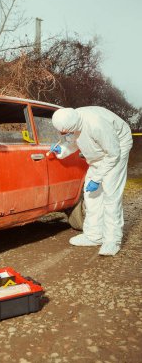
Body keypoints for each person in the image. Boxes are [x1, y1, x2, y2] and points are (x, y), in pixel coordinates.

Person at [50, 106, 133, 256]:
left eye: (66, 131)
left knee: (111, 194)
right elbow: (74, 141)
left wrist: (97, 178)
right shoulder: (73, 119)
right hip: (100, 155)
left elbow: (113, 154)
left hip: (118, 147)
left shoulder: (97, 124)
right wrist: (61, 150)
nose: (65, 134)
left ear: (73, 125)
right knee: (91, 194)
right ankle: (94, 236)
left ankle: (112, 241)